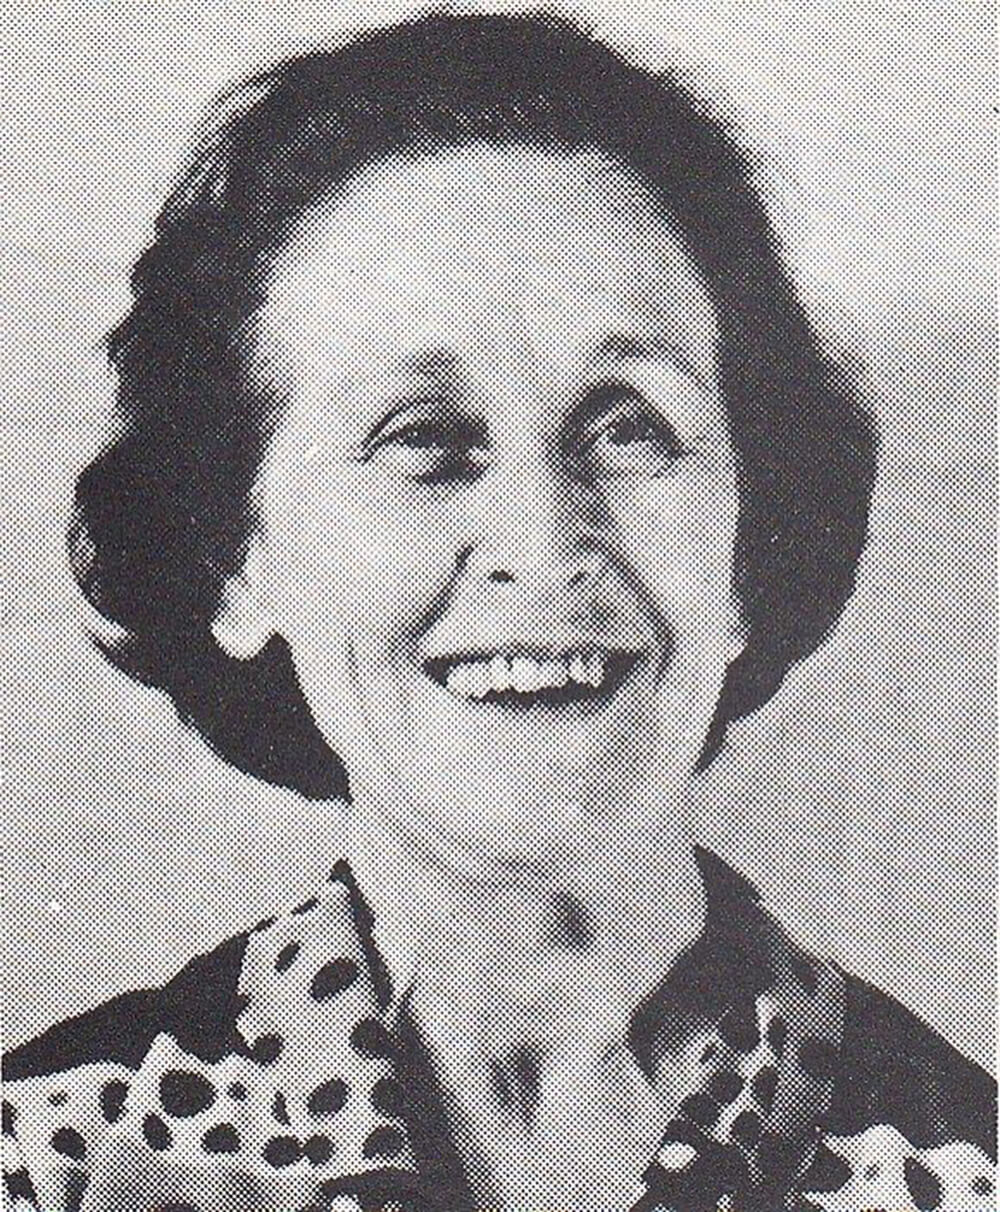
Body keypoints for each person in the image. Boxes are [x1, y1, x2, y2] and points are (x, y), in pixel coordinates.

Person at [2, 12, 994, 1212]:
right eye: (424, 439)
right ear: (236, 558)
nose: (542, 544)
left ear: (747, 547)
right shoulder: (47, 1165)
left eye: (631, 429)